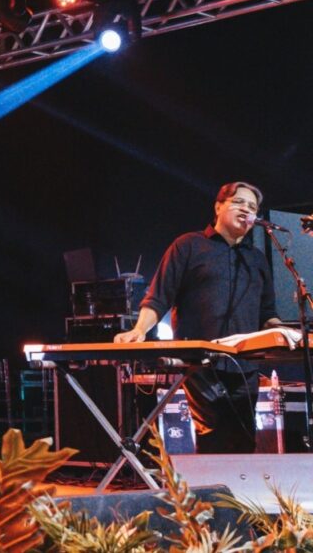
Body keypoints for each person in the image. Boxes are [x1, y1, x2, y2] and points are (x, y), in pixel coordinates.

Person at [115, 182, 281, 453]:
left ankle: (236, 483)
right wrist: (139, 329)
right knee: (214, 434)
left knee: (244, 438)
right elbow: (159, 296)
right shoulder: (188, 245)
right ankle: (211, 482)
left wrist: (285, 333)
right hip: (201, 362)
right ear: (218, 207)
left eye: (252, 207)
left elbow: (267, 313)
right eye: (239, 202)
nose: (246, 210)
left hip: (245, 363)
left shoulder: (257, 259)